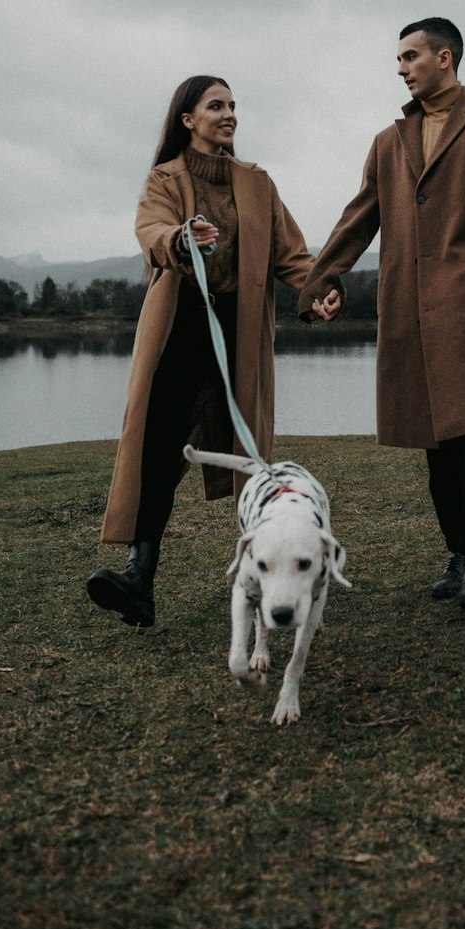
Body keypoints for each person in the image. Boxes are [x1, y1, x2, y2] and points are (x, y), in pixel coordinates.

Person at [299, 19, 465, 615]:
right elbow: (360, 216)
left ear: (445, 58)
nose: (401, 67)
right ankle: (455, 553)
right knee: (435, 438)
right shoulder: (389, 141)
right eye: (398, 59)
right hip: (409, 307)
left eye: (410, 56)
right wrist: (323, 277)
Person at [87, 75, 340, 627]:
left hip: (238, 332)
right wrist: (179, 239)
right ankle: (139, 580)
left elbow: (292, 255)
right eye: (215, 105)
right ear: (187, 118)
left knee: (249, 461)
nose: (229, 115)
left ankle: (277, 580)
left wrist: (317, 292)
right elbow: (150, 230)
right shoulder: (164, 179)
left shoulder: (257, 183)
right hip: (178, 334)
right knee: (158, 454)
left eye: (232, 106)